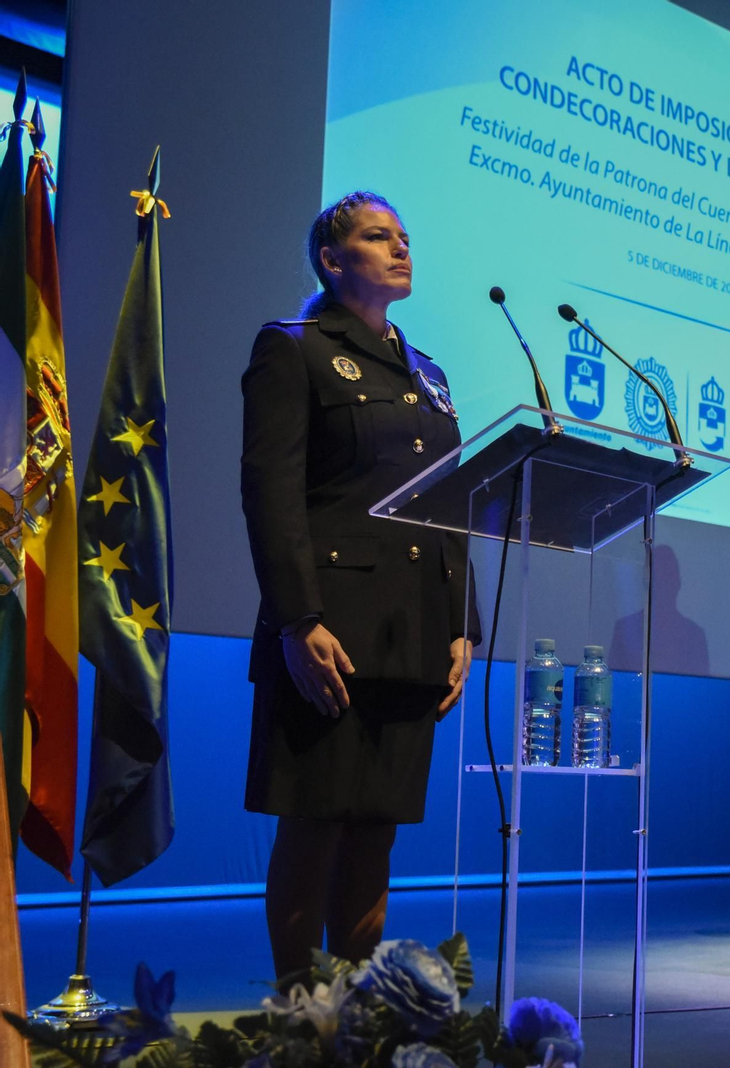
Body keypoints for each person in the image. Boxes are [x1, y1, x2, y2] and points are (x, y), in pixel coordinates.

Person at [240, 191, 479, 979]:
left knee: (375, 834)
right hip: (328, 632)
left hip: (411, 636)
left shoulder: (431, 374)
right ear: (333, 259)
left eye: (405, 236)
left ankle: (355, 1025)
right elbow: (271, 492)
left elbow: (451, 504)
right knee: (313, 829)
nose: (401, 248)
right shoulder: (294, 348)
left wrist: (462, 625)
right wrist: (295, 618)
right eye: (380, 237)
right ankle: (297, 1020)